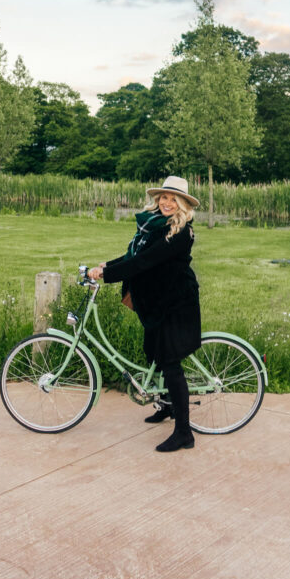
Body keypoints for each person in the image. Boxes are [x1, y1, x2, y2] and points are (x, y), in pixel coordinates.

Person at [88, 175, 201, 453]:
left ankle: (184, 434)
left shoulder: (180, 232)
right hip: (159, 299)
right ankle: (166, 406)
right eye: (163, 197)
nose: (167, 203)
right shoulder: (153, 227)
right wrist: (108, 264)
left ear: (184, 204)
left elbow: (144, 262)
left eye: (174, 199)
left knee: (170, 362)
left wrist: (108, 274)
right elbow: (134, 255)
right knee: (156, 355)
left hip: (176, 302)